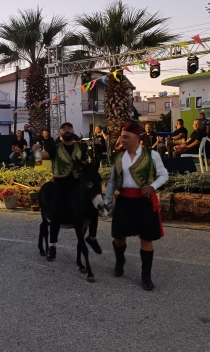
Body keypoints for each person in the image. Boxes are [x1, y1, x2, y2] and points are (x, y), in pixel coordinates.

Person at [103, 121, 169, 291]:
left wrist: (152, 186)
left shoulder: (152, 155)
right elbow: (112, 182)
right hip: (124, 201)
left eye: (125, 137)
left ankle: (146, 276)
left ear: (135, 137)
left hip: (144, 202)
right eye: (121, 136)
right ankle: (119, 261)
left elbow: (164, 175)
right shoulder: (119, 157)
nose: (122, 140)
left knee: (146, 239)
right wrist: (105, 200)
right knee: (118, 237)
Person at [32, 122, 101, 260]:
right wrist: (36, 151)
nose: (67, 130)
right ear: (61, 133)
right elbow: (40, 160)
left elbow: (85, 164)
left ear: (73, 130)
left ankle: (92, 237)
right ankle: (52, 246)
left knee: (95, 206)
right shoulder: (55, 148)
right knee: (56, 211)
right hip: (60, 184)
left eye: (69, 128)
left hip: (77, 184)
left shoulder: (81, 147)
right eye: (64, 129)